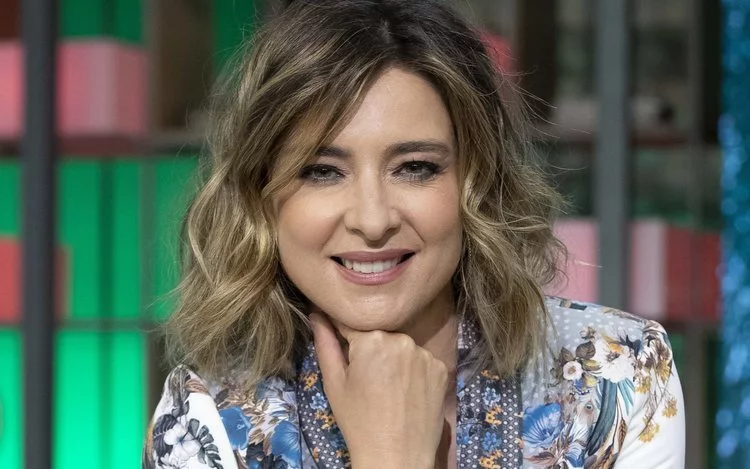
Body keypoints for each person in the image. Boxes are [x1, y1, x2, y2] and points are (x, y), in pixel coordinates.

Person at [142, 1, 685, 468]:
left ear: (476, 183)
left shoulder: (616, 372)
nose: (373, 220)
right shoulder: (205, 418)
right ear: (260, 195)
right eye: (322, 171)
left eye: (415, 168)